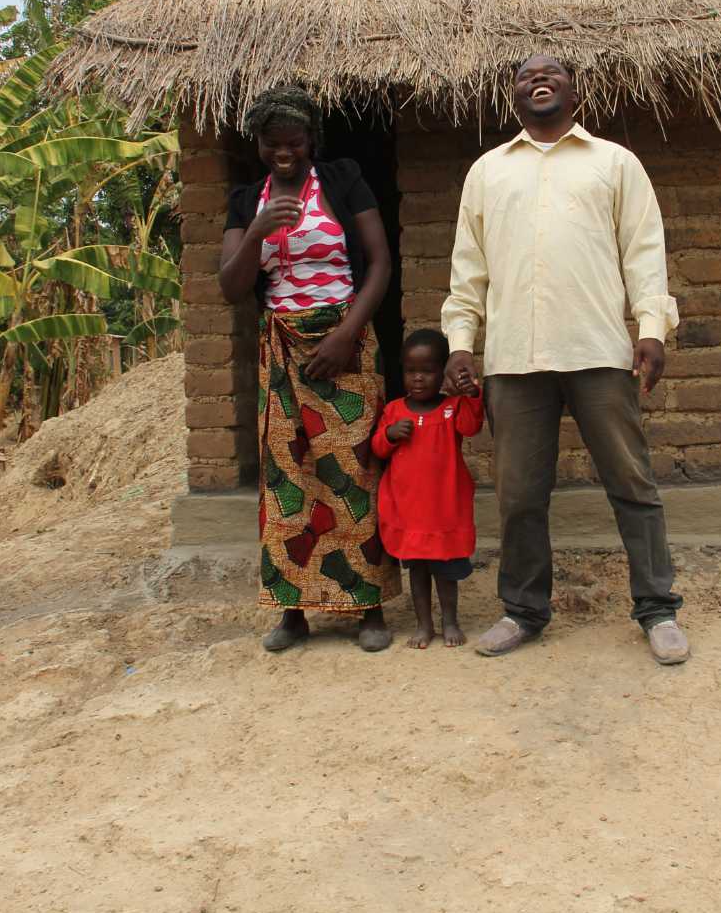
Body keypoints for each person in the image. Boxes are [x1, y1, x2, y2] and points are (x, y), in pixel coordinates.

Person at [441, 54, 689, 665]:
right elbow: (468, 270)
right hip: (513, 360)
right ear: (514, 95)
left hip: (598, 349)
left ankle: (657, 609)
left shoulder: (614, 163)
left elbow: (643, 249)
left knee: (632, 483)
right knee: (520, 494)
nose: (537, 80)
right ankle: (523, 611)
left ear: (574, 91)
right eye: (524, 75)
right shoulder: (488, 172)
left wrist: (651, 327)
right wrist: (460, 345)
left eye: (550, 73)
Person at [219, 85, 399, 652]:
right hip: (282, 349)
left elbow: (380, 262)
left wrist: (348, 334)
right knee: (287, 476)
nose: (285, 154)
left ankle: (366, 606)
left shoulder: (342, 179)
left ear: (311, 141)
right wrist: (256, 230)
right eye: (273, 145)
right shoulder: (248, 200)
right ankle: (292, 610)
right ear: (259, 145)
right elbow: (230, 287)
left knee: (352, 471)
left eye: (295, 143)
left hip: (346, 342)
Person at [370, 329, 485, 649]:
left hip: (444, 509)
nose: (418, 379)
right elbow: (378, 449)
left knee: (446, 572)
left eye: (427, 371)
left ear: (443, 372)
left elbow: (471, 426)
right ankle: (424, 625)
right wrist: (391, 434)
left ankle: (450, 620)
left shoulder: (452, 408)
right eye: (410, 371)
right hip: (410, 512)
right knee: (418, 572)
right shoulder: (394, 410)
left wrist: (471, 394)